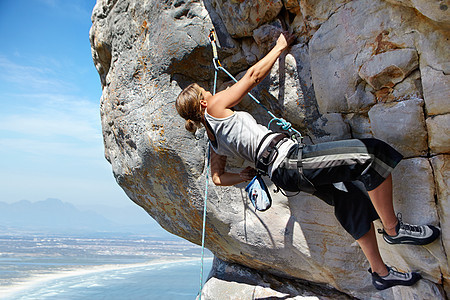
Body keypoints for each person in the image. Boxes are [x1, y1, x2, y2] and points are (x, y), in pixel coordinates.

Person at [175, 31, 440, 291]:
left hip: (282, 173)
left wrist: (243, 177)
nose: (210, 93)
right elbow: (252, 77)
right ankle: (394, 230)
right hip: (289, 161)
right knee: (370, 155)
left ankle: (381, 274)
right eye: (204, 93)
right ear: (201, 104)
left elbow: (217, 178)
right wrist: (279, 47)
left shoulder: (213, 142)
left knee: (348, 197)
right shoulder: (215, 107)